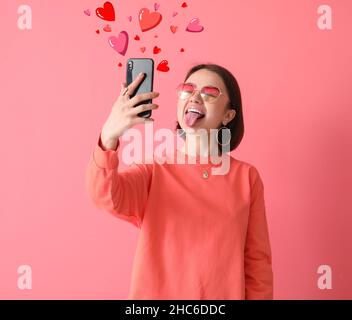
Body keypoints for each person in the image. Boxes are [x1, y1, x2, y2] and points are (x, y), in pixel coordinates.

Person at [85, 63, 273, 299]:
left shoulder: (247, 178)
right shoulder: (154, 170)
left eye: (209, 92)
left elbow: (257, 263)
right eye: (188, 89)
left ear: (228, 115)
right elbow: (106, 196)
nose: (195, 97)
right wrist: (109, 135)